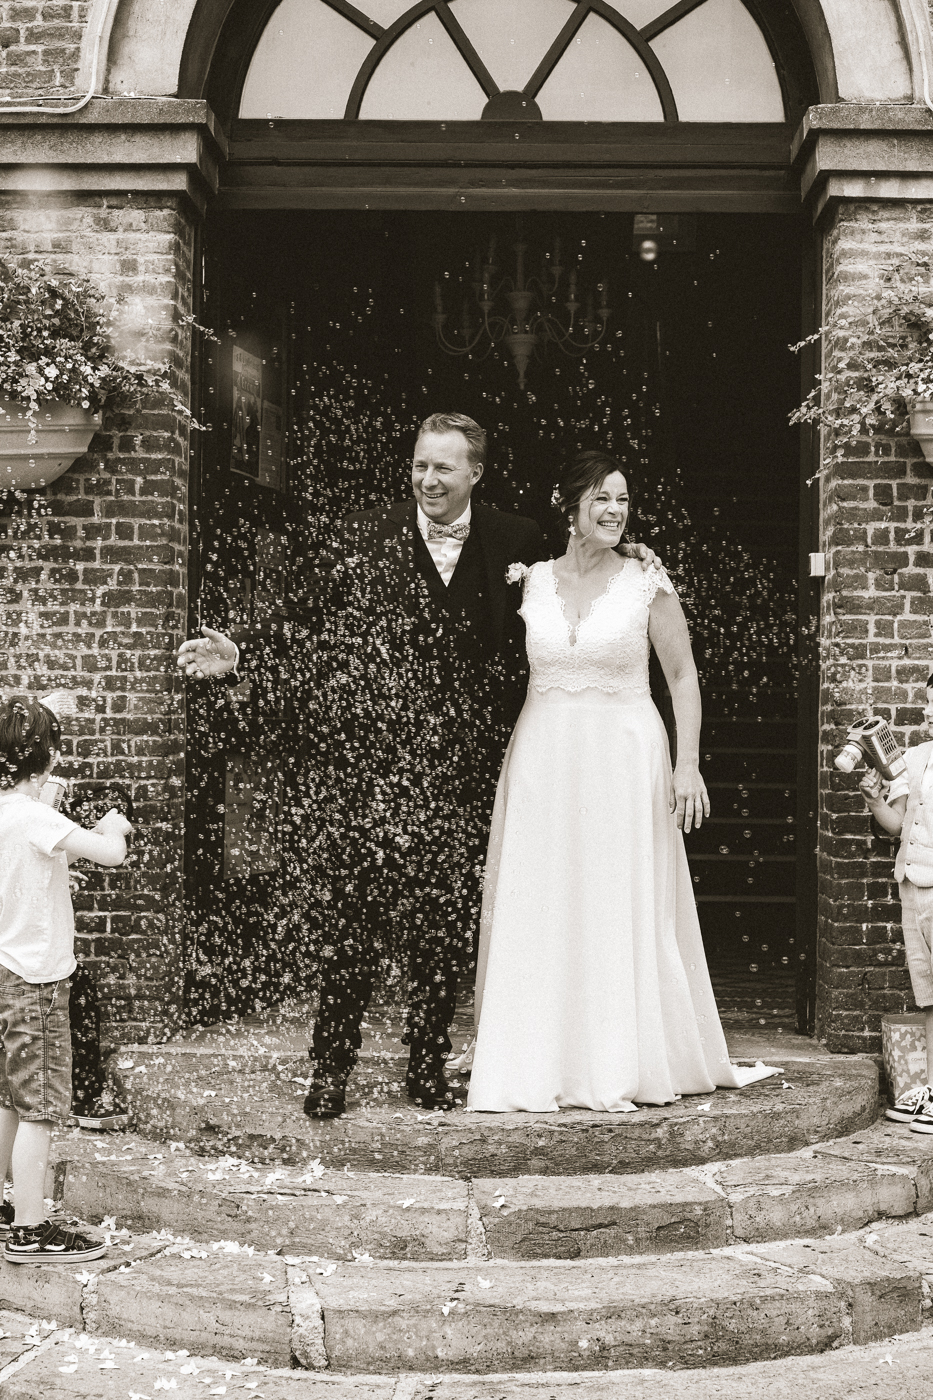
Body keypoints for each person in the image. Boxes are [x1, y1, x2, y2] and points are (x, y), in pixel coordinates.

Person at [177, 414, 660, 1120]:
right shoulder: (360, 533)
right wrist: (245, 650)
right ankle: (330, 1069)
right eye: (419, 466)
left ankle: (427, 1064)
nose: (428, 480)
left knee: (441, 926)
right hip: (368, 767)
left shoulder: (516, 539)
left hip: (463, 771)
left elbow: (572, 584)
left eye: (443, 468)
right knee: (350, 925)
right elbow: (306, 621)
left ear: (475, 474)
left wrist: (628, 552)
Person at [467, 450, 778, 1112]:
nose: (614, 511)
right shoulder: (529, 580)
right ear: (569, 506)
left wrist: (687, 765)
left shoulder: (646, 581)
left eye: (622, 499)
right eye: (601, 498)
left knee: (618, 899)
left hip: (625, 759)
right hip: (544, 760)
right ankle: (539, 1058)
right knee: (545, 899)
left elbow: (682, 676)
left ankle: (621, 1058)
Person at [0, 697, 132, 1263]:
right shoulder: (36, 818)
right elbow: (109, 854)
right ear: (50, 757)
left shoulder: (11, 813)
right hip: (36, 982)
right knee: (39, 1108)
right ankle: (30, 1229)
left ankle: (4, 1208)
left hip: (4, 972)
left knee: (8, 1099)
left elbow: (39, 847)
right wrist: (115, 826)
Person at [859, 676, 933, 1133]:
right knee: (930, 999)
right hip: (914, 886)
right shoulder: (916, 757)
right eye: (929, 702)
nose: (930, 711)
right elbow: (897, 823)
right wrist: (874, 800)